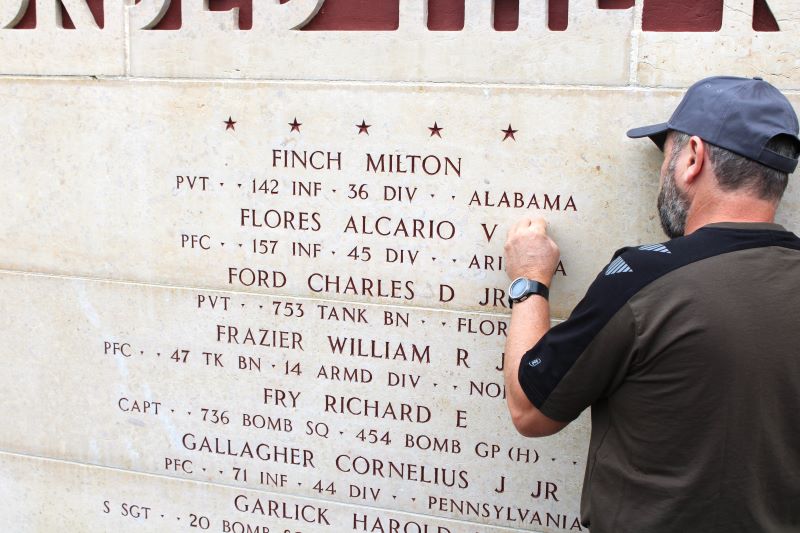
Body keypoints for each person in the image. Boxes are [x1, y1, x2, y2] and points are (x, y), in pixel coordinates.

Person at [502, 76, 800, 532]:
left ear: (693, 158)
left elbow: (530, 411)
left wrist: (529, 281)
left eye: (666, 158)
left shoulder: (646, 277)